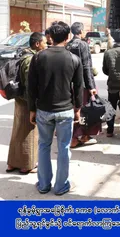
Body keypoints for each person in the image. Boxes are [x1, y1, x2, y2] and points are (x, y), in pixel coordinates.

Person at [28, 21, 83, 195]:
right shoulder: (74, 59)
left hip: (44, 110)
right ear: (67, 37)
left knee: (44, 145)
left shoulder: (38, 57)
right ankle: (61, 186)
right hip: (65, 110)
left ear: (50, 37)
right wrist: (78, 108)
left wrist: (32, 109)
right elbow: (78, 87)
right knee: (64, 147)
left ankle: (43, 185)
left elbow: (31, 87)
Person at [6, 33, 47, 175]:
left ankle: (12, 163)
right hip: (26, 100)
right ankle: (27, 165)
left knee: (17, 131)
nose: (46, 45)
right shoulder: (31, 59)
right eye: (44, 43)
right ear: (37, 44)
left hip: (19, 98)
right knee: (29, 132)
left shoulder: (22, 54)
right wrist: (33, 106)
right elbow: (30, 84)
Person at [66, 22, 99, 148]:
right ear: (80, 32)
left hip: (70, 83)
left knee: (74, 109)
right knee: (85, 110)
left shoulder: (68, 45)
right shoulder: (83, 45)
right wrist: (91, 86)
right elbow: (86, 67)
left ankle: (77, 136)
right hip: (82, 83)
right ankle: (80, 137)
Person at [103, 29, 120, 141]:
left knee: (111, 108)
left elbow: (105, 70)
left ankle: (110, 130)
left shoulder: (108, 53)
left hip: (112, 86)